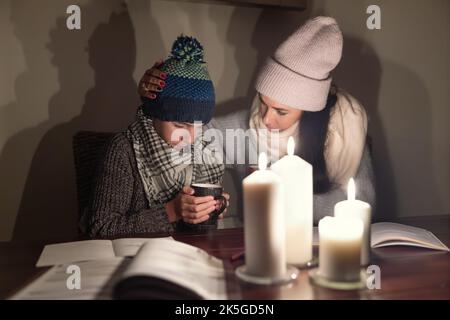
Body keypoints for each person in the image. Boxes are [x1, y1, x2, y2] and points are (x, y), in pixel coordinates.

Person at [138, 17, 376, 225]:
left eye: (281, 112)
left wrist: (281, 194)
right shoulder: (245, 127)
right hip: (254, 248)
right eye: (263, 102)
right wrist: (158, 102)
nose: (266, 118)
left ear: (308, 110)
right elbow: (181, 137)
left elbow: (364, 205)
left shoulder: (346, 133)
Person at [87, 35, 228, 237]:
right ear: (154, 113)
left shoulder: (204, 150)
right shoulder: (123, 151)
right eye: (179, 124)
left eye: (199, 126)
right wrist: (173, 211)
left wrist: (212, 208)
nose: (189, 136)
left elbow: (200, 232)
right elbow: (101, 228)